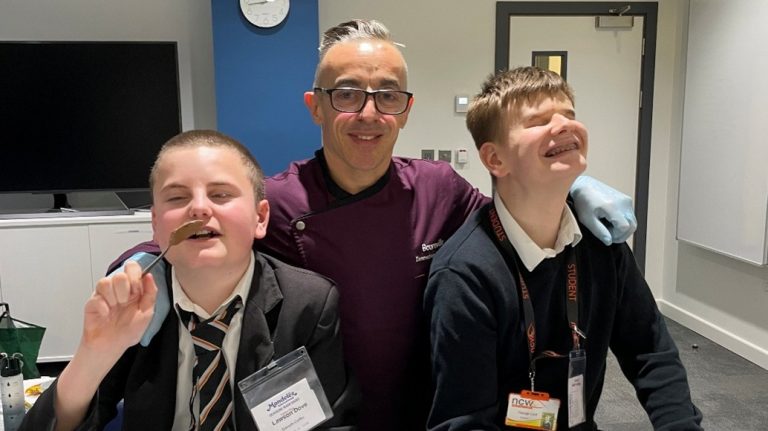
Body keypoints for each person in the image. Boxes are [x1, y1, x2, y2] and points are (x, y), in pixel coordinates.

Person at [114, 20, 638, 430]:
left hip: (423, 411)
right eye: (347, 94)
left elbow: (516, 211)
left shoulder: (438, 189)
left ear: (406, 111)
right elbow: (196, 226)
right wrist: (142, 266)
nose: (369, 112)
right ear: (314, 107)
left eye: (388, 95)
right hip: (313, 417)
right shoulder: (280, 198)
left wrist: (572, 189)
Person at [424, 66, 703, 430]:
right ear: (495, 159)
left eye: (569, 114)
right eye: (538, 120)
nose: (563, 124)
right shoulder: (466, 274)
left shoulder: (602, 243)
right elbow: (465, 422)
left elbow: (650, 349)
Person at [21, 130, 357, 430]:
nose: (198, 208)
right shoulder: (133, 306)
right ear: (155, 223)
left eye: (221, 194)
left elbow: (330, 423)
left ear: (260, 217)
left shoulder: (309, 304)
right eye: (177, 197)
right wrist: (92, 356)